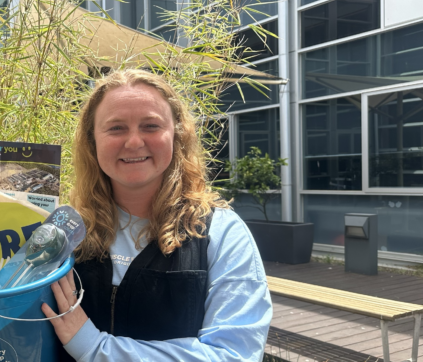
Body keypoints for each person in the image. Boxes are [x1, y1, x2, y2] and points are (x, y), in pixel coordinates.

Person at [41, 69, 272, 361]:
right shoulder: (65, 231)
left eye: (151, 126)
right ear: (92, 141)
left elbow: (234, 354)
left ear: (177, 134)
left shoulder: (221, 233)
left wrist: (94, 347)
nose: (134, 142)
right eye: (116, 128)